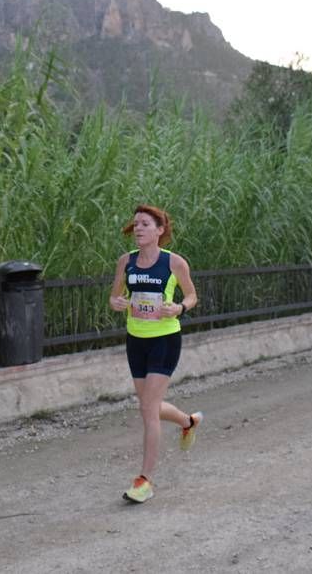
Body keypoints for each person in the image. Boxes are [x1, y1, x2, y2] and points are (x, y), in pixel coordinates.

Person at [108, 205, 200, 503]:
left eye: (145, 224)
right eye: (135, 224)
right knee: (151, 406)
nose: (138, 229)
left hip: (165, 340)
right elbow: (114, 297)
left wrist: (179, 307)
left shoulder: (174, 263)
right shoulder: (126, 262)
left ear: (160, 230)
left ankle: (144, 480)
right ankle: (188, 422)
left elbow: (192, 295)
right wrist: (117, 302)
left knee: (148, 409)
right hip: (136, 341)